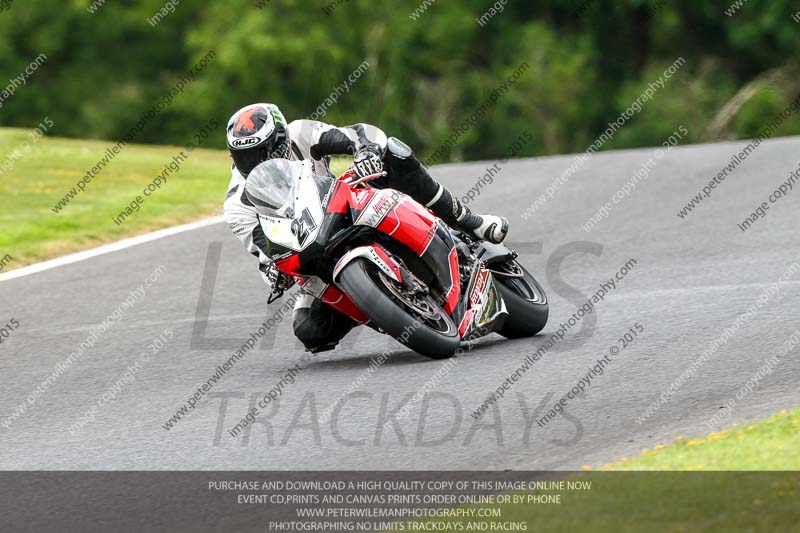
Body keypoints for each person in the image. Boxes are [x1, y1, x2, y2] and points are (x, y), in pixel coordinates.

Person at [223, 103, 509, 352]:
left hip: (344, 203)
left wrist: (364, 152)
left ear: (281, 140)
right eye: (245, 156)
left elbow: (360, 133)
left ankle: (467, 221)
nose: (256, 162)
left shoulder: (300, 133)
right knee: (309, 330)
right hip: (313, 252)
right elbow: (266, 251)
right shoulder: (237, 205)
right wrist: (274, 272)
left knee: (393, 152)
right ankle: (391, 307)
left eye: (263, 151)